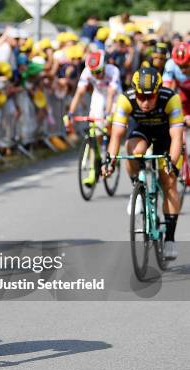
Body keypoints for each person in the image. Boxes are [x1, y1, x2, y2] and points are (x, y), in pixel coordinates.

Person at [104, 68, 184, 259]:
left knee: (168, 181)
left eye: (150, 96)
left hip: (166, 136)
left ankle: (170, 238)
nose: (145, 102)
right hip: (142, 131)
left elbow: (177, 137)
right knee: (133, 152)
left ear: (158, 92)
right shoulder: (126, 99)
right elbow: (116, 135)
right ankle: (137, 189)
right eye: (141, 96)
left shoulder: (170, 99)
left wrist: (171, 163)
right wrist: (109, 161)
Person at [67, 50, 122, 185]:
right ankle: (93, 170)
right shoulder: (87, 71)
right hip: (98, 95)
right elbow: (79, 93)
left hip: (114, 96)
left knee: (108, 126)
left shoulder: (113, 71)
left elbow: (110, 94)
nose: (95, 76)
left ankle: (112, 152)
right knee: (95, 130)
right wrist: (70, 113)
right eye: (93, 73)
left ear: (104, 67)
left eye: (98, 72)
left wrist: (108, 115)